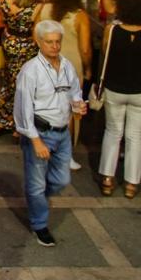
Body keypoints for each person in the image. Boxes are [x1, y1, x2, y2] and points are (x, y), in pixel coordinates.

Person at [15, 19, 86, 247]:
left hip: (62, 132)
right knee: (36, 184)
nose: (54, 46)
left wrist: (78, 105)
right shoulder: (30, 71)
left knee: (61, 179)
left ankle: (38, 200)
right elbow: (23, 108)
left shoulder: (66, 66)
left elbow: (75, 92)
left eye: (57, 42)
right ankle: (39, 224)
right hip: (41, 132)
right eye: (49, 42)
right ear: (39, 42)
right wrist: (34, 140)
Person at [96, 0, 141, 198]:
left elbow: (106, 53)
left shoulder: (111, 31)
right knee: (136, 136)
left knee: (113, 132)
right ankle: (132, 183)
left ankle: (107, 177)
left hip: (115, 87)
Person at [36, 0, 90, 168]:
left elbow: (36, 34)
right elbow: (85, 49)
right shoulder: (79, 16)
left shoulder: (44, 9)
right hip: (72, 68)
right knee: (70, 112)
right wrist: (88, 67)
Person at [0, 0, 41, 136]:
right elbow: (36, 30)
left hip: (9, 42)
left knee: (7, 83)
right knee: (22, 86)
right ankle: (17, 124)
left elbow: (3, 13)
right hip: (26, 47)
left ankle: (1, 121)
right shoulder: (37, 7)